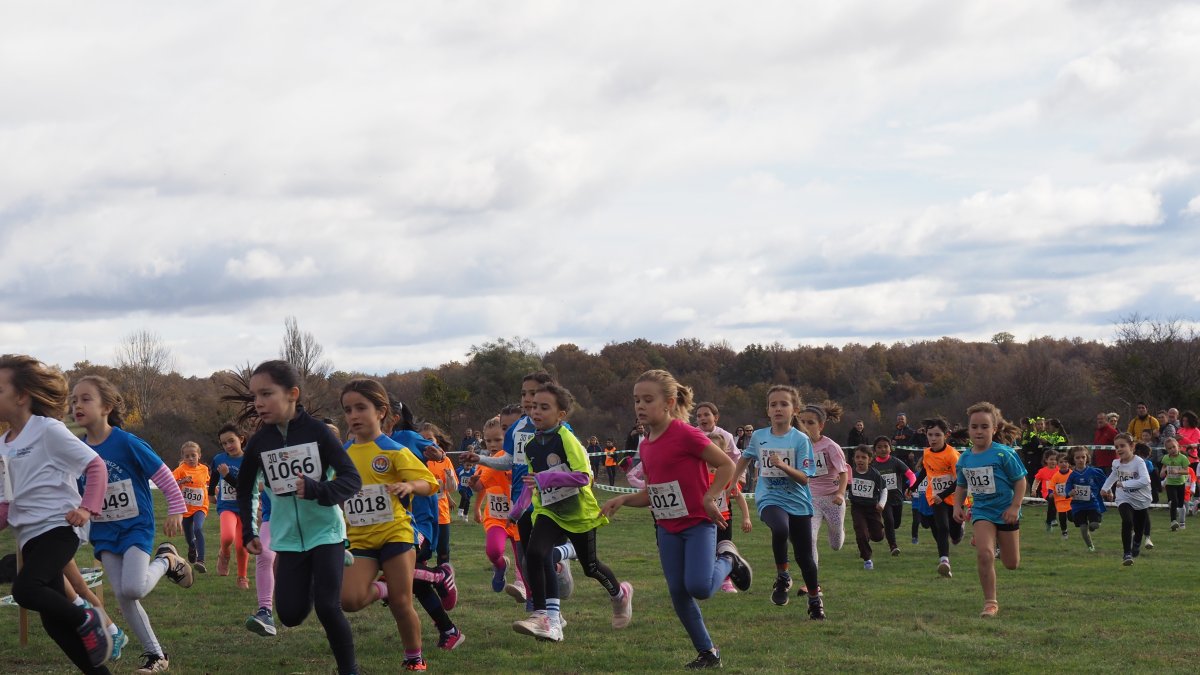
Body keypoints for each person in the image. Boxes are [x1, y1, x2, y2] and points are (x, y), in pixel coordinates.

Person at [600, 369, 752, 669]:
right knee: (679, 594)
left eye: (647, 400)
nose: (640, 406)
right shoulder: (645, 443)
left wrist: (710, 497)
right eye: (636, 401)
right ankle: (708, 652)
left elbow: (725, 465)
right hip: (667, 528)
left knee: (699, 587)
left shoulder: (686, 434)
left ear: (669, 403)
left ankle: (729, 560)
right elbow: (653, 493)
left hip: (697, 523)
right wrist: (623, 499)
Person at [235, 360, 363, 675]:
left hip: (325, 532)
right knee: (290, 615)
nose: (259, 403)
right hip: (287, 537)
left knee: (328, 607)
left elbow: (351, 480)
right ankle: (313, 574)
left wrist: (318, 489)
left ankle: (350, 670)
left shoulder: (318, 432)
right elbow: (245, 487)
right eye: (255, 396)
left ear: (292, 394)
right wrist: (248, 532)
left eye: (266, 394)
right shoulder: (260, 441)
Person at [0, 355, 114, 672]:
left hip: (59, 529)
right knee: (53, 624)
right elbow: (6, 504)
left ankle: (87, 616)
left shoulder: (48, 430)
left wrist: (87, 507)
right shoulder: (2, 446)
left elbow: (95, 466)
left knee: (25, 589)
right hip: (30, 538)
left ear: (22, 396)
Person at [73, 375, 192, 674]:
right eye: (73, 400)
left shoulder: (126, 442)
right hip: (104, 531)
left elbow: (163, 473)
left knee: (134, 588)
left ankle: (166, 560)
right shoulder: (76, 448)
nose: (77, 405)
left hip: (136, 526)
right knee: (123, 596)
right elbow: (74, 486)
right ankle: (156, 656)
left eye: (86, 399)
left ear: (107, 406)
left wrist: (177, 508)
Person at [337, 378, 444, 671]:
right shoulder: (342, 454)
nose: (354, 415)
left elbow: (430, 482)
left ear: (381, 411)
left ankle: (414, 657)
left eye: (361, 408)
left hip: (395, 533)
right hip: (359, 538)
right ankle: (383, 588)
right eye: (348, 410)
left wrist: (409, 486)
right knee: (349, 600)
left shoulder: (394, 450)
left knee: (401, 602)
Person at [514, 383, 631, 642]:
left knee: (591, 567)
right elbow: (532, 480)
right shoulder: (531, 445)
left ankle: (620, 594)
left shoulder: (566, 439)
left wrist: (546, 479)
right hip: (549, 512)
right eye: (534, 407)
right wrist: (518, 508)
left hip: (578, 512)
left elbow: (583, 476)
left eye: (545, 407)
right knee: (534, 553)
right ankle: (545, 617)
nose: (536, 412)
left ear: (561, 415)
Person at [732, 385, 824, 618]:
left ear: (794, 410)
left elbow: (804, 479)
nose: (778, 408)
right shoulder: (760, 436)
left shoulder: (801, 440)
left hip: (798, 502)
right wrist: (732, 482)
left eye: (784, 404)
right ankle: (782, 576)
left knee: (805, 558)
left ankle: (815, 601)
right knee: (780, 527)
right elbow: (745, 458)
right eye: (773, 404)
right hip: (769, 498)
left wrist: (782, 465)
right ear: (768, 410)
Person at [952, 402, 1026, 619]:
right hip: (982, 511)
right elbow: (961, 485)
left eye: (984, 426)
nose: (979, 431)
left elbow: (1021, 481)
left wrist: (1015, 507)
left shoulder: (1004, 454)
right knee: (985, 555)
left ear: (994, 429)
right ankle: (990, 603)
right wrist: (957, 505)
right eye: (974, 427)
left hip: (1006, 512)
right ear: (969, 429)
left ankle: (995, 543)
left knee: (1011, 564)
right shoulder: (965, 457)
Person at [473, 417, 524, 597]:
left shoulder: (519, 459)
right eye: (488, 441)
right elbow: (481, 485)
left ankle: (525, 590)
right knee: (493, 551)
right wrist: (477, 507)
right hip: (496, 518)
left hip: (518, 518)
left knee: (522, 560)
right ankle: (501, 566)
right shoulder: (487, 461)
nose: (493, 445)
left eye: (498, 440)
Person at [796, 402, 847, 566]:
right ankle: (813, 580)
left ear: (821, 426)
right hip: (811, 499)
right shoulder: (798, 446)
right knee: (809, 538)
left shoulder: (830, 446)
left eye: (810, 423)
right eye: (802, 422)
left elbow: (843, 473)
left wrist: (840, 493)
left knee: (836, 544)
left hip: (833, 499)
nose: (805, 426)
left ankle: (840, 532)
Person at [911, 418, 962, 578]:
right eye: (930, 434)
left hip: (954, 497)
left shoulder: (953, 455)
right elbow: (926, 471)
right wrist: (912, 486)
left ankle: (960, 529)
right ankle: (944, 561)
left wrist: (943, 494)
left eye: (937, 435)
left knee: (954, 533)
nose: (933, 438)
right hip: (935, 497)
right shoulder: (926, 453)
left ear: (945, 435)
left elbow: (960, 481)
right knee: (942, 527)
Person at [1100, 434, 1152, 566]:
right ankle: (1126, 553)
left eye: (1122, 446)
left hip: (1141, 499)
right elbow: (1113, 475)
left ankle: (1137, 541)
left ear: (1132, 446)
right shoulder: (1116, 463)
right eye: (1116, 447)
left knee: (1139, 528)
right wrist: (1105, 488)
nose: (1119, 449)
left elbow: (1145, 480)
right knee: (1127, 522)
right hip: (1124, 498)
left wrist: (1125, 484)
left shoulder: (1139, 462)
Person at [212, 423, 250, 589]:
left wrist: (227, 476)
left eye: (231, 441)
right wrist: (210, 493)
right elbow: (213, 475)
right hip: (226, 505)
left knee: (242, 545)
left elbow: (244, 487)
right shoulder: (219, 459)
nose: (228, 446)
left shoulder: (249, 460)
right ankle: (224, 553)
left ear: (241, 439)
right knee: (227, 536)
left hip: (244, 507)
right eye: (224, 443)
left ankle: (242, 577)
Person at [872, 437, 915, 557]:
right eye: (879, 447)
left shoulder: (895, 462)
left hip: (897, 498)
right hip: (882, 500)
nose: (883, 449)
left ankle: (887, 530)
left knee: (895, 523)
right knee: (889, 521)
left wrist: (912, 487)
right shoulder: (873, 465)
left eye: (885, 446)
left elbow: (911, 475)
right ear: (875, 450)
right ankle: (893, 546)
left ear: (890, 448)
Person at [847, 445, 887, 570]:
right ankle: (867, 559)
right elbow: (844, 487)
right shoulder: (851, 473)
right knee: (861, 534)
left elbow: (884, 489)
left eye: (863, 457)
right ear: (854, 459)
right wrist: (844, 499)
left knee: (877, 536)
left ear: (870, 460)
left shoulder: (874, 474)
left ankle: (873, 532)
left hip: (872, 508)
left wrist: (881, 504)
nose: (860, 460)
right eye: (857, 457)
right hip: (857, 508)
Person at [172, 442, 210, 573]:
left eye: (193, 455)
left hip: (201, 506)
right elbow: (170, 484)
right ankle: (192, 547)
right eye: (187, 456)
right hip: (185, 509)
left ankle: (201, 560)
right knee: (189, 537)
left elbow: (208, 482)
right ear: (183, 457)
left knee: (198, 528)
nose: (190, 458)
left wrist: (215, 490)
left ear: (199, 455)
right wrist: (182, 481)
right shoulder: (180, 470)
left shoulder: (204, 469)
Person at [1065, 446, 1106, 552]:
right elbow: (1068, 487)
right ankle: (1090, 546)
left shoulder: (1094, 471)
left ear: (1087, 458)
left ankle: (1092, 525)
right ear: (1073, 459)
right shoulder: (1072, 475)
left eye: (1083, 457)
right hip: (1078, 505)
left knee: (1095, 524)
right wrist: (1070, 492)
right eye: (1077, 458)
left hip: (1092, 504)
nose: (1080, 460)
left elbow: (1105, 482)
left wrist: (1108, 491)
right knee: (1083, 528)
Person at [1159, 437, 1190, 530]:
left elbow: (1186, 471)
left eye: (1173, 447)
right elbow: (1163, 470)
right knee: (1174, 501)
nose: (1172, 449)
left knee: (1180, 504)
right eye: (1169, 448)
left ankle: (1182, 522)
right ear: (1166, 450)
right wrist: (1163, 472)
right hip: (1170, 484)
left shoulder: (1183, 458)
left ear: (1178, 447)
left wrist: (1177, 471)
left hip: (1180, 483)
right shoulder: (1165, 458)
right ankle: (1173, 521)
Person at [1030, 450, 1059, 532]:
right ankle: (1053, 519)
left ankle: (1048, 522)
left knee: (1052, 505)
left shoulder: (1059, 470)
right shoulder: (1042, 471)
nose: (1053, 461)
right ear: (1046, 460)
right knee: (1052, 500)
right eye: (1051, 459)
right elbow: (1036, 481)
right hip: (1046, 493)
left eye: (1055, 459)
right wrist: (1033, 490)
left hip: (1057, 492)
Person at [1047, 453, 1073, 539]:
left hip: (1070, 500)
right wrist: (1050, 492)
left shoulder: (1072, 474)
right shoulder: (1056, 476)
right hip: (1060, 500)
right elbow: (1051, 485)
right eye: (1061, 462)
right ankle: (1064, 532)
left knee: (1071, 518)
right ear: (1057, 464)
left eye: (1066, 462)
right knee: (1062, 517)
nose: (1064, 464)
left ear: (1069, 463)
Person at [455, 456, 476, 523]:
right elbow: (454, 474)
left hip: (469, 489)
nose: (468, 467)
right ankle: (460, 510)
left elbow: (477, 476)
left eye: (470, 465)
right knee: (464, 497)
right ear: (463, 464)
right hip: (461, 487)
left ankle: (465, 516)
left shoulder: (473, 471)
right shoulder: (460, 470)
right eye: (467, 465)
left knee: (468, 502)